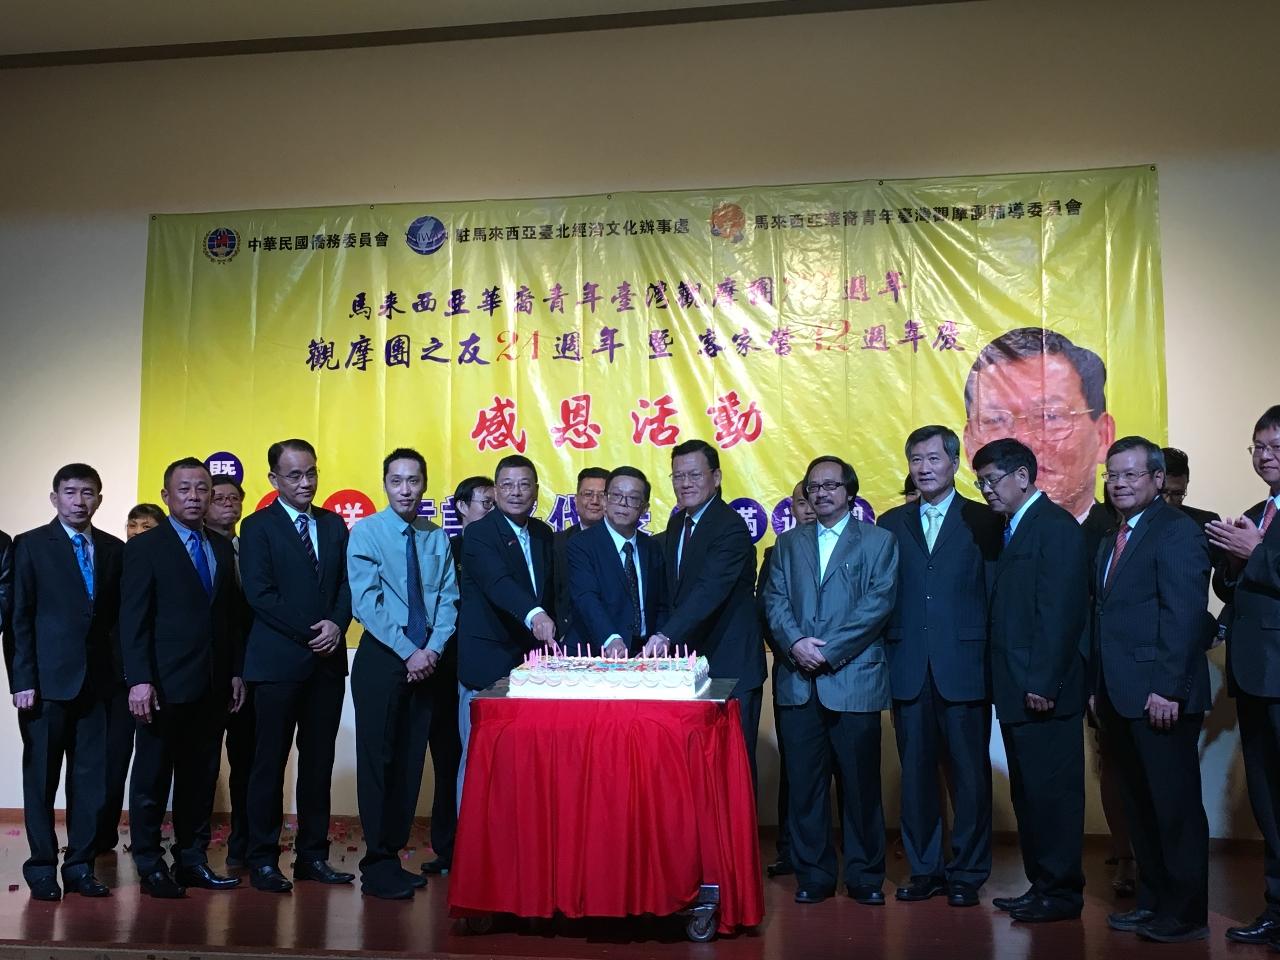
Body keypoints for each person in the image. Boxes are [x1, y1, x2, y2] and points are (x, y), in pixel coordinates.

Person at [1093, 437, 1212, 944]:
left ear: (1159, 480)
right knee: (1140, 806)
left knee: (1174, 808)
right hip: (1120, 696)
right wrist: (1099, 689)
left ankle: (1185, 914)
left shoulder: (1177, 532)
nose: (1118, 483)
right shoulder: (1113, 535)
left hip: (1161, 697)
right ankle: (1153, 902)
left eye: (1131, 475)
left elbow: (1184, 617)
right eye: (1112, 475)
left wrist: (1167, 689)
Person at [764, 455, 898, 906]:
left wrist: (828, 650)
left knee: (861, 788)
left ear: (849, 492)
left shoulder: (879, 542)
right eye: (813, 487)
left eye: (830, 486)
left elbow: (877, 605)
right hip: (798, 683)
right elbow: (774, 599)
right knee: (805, 786)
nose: (821, 493)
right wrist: (796, 642)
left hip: (853, 680)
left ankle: (864, 877)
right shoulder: (786, 544)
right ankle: (814, 875)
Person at [878, 426, 1002, 908]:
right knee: (916, 775)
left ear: (954, 464)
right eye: (916, 459)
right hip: (908, 665)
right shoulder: (890, 524)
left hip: (966, 666)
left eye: (933, 458)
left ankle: (968, 872)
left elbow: (996, 596)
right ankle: (924, 868)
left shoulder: (985, 520)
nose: (924, 467)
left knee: (970, 775)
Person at [973, 438, 1088, 923]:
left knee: (1053, 795)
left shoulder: (1054, 527)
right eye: (979, 483)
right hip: (1018, 688)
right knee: (1030, 793)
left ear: (1023, 476)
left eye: (992, 481)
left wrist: (1043, 681)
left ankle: (1061, 893)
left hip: (1044, 692)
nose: (985, 492)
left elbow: (1060, 613)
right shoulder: (1015, 527)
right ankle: (1041, 884)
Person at [120, 457, 246, 898]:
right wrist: (139, 679)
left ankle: (192, 859)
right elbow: (133, 619)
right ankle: (150, 863)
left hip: (211, 686)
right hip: (160, 686)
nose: (195, 497)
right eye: (185, 489)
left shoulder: (219, 545)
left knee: (200, 778)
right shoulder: (144, 548)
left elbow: (228, 620)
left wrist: (233, 673)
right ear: (166, 496)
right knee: (152, 779)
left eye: (202, 489)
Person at [239, 439, 353, 893]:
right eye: (294, 475)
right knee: (268, 765)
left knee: (317, 766)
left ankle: (312, 857)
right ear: (274, 480)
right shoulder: (258, 527)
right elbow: (260, 595)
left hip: (326, 666)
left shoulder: (333, 524)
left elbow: (347, 583)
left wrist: (338, 623)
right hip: (277, 664)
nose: (305, 483)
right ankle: (263, 858)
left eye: (311, 473)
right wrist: (312, 630)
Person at [347, 448, 458, 900]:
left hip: (426, 662)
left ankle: (393, 856)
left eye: (414, 481)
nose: (406, 489)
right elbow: (366, 602)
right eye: (397, 480)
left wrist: (431, 650)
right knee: (379, 763)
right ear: (385, 482)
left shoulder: (436, 537)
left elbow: (449, 599)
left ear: (425, 485)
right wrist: (410, 650)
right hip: (383, 660)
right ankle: (376, 864)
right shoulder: (367, 533)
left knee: (411, 764)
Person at [10, 464, 123, 900]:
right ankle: (41, 866)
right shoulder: (32, 545)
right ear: (54, 497)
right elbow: (20, 617)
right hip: (44, 684)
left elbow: (116, 622)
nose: (79, 501)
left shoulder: (113, 550)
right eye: (70, 492)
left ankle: (80, 866)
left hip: (98, 685)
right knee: (41, 778)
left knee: (89, 780)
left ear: (99, 498)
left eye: (88, 493)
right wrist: (22, 679)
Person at [1208, 405, 1280, 946]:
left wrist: (1254, 554)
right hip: (1256, 676)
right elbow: (1236, 593)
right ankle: (1277, 908)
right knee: (1267, 800)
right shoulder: (1258, 510)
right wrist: (1231, 564)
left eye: (1276, 446)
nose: (1265, 456)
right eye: (1257, 446)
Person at [655, 439, 766, 784]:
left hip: (729, 665)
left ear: (716, 477)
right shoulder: (678, 524)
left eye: (693, 475)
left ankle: (738, 839)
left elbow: (708, 591)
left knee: (733, 766)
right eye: (677, 476)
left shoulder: (730, 526)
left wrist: (665, 635)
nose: (684, 483)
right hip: (691, 666)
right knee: (695, 769)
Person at [457, 454, 557, 804]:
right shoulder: (480, 534)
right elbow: (498, 583)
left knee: (523, 764)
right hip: (488, 662)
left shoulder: (544, 534)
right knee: (479, 760)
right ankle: (470, 853)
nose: (516, 492)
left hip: (532, 666)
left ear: (536, 491)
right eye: (507, 485)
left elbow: (554, 592)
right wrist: (536, 615)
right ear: (496, 491)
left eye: (524, 484)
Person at [962, 327, 1116, 551]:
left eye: (1050, 416)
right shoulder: (974, 539)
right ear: (968, 444)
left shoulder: (1114, 538)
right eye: (996, 420)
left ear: (1103, 436)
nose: (1025, 442)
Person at [419, 475, 494, 879]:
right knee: (449, 759)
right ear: (461, 507)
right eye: (484, 502)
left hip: (486, 669)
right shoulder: (447, 549)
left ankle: (487, 844)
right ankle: (448, 847)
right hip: (445, 669)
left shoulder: (503, 549)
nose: (491, 508)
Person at [98, 503, 166, 855]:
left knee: (151, 765)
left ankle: (146, 841)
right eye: (133, 524)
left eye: (147, 525)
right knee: (112, 759)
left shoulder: (169, 563)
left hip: (160, 678)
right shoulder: (114, 560)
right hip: (117, 679)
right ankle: (102, 834)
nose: (138, 530)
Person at [758, 481, 815, 879]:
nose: (810, 506)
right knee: (796, 770)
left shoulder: (860, 546)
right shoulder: (777, 552)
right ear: (790, 509)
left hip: (843, 672)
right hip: (792, 671)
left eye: (816, 497)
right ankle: (790, 849)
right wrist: (794, 650)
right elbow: (767, 610)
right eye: (801, 500)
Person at [565, 466, 667, 656]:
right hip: (594, 651)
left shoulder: (652, 547)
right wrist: (610, 638)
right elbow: (586, 597)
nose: (623, 503)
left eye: (633, 498)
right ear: (605, 500)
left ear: (645, 507)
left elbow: (660, 604)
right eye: (616, 495)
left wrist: (659, 638)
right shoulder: (581, 544)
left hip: (644, 655)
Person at [205, 475, 254, 868]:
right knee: (202, 767)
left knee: (248, 766)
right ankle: (194, 849)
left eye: (233, 498)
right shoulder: (198, 548)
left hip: (251, 672)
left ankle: (243, 845)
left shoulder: (251, 545)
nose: (227, 504)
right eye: (218, 497)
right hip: (207, 675)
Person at [1162, 446, 1229, 604]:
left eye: (1178, 494)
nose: (1168, 501)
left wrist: (1235, 562)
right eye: (1162, 492)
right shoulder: (1128, 523)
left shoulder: (1205, 523)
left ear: (1187, 484)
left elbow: (1227, 586)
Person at [553, 467, 609, 638]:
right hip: (569, 639)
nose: (595, 501)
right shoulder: (556, 542)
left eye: (602, 495)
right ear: (576, 500)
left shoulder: (627, 543)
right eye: (588, 494)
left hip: (617, 641)